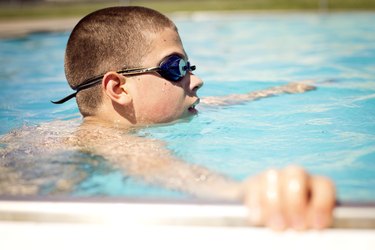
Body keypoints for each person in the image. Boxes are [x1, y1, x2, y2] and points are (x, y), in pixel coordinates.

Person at [0, 6, 335, 231]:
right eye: (176, 68)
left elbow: (222, 101)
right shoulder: (106, 139)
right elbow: (171, 172)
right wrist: (252, 191)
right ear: (118, 89)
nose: (196, 79)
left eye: (190, 67)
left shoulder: (111, 123)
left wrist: (277, 91)